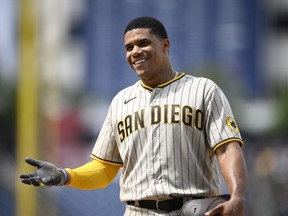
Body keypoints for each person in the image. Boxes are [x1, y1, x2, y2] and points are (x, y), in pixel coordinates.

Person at [20, 16, 247, 216]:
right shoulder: (120, 101)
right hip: (138, 211)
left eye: (143, 43)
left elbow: (227, 148)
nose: (135, 51)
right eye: (129, 47)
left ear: (165, 45)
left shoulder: (204, 90)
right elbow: (104, 169)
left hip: (193, 208)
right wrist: (63, 175)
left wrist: (237, 196)